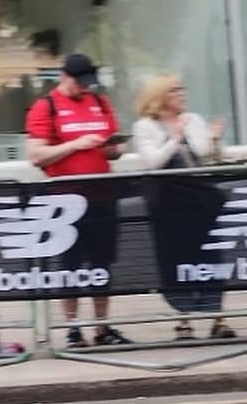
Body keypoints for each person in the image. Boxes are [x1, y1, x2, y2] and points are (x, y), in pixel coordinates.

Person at [25, 52, 131, 348]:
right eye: (79, 82)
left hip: (102, 193)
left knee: (102, 263)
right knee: (70, 264)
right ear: (64, 77)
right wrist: (75, 145)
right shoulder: (45, 106)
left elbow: (113, 148)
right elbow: (36, 155)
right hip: (66, 198)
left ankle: (102, 327)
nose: (84, 88)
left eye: (88, 82)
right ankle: (73, 328)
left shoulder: (99, 102)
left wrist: (114, 148)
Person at [132, 73, 234, 340]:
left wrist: (214, 140)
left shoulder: (193, 119)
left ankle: (218, 318)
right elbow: (152, 161)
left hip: (199, 200)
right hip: (168, 203)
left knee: (210, 257)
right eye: (175, 90)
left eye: (182, 89)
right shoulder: (145, 126)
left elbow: (207, 156)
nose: (182, 94)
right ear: (160, 96)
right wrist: (175, 139)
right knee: (176, 259)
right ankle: (183, 319)